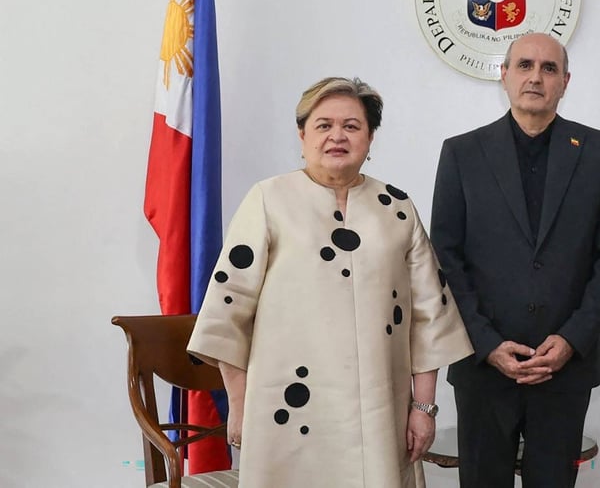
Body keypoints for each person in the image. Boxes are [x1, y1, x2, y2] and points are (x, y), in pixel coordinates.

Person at [187, 77, 472, 488]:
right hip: (285, 412)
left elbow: (431, 315)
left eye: (352, 126)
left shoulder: (397, 207)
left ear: (370, 138)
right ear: (302, 135)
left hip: (380, 413)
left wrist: (424, 408)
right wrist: (240, 403)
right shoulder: (269, 200)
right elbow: (228, 310)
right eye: (323, 125)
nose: (337, 135)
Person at [430, 33, 600, 488]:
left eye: (548, 68)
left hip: (564, 368)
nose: (535, 77)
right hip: (483, 366)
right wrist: (486, 343)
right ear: (503, 75)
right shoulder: (462, 153)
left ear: (565, 81)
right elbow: (446, 259)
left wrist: (572, 338)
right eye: (524, 65)